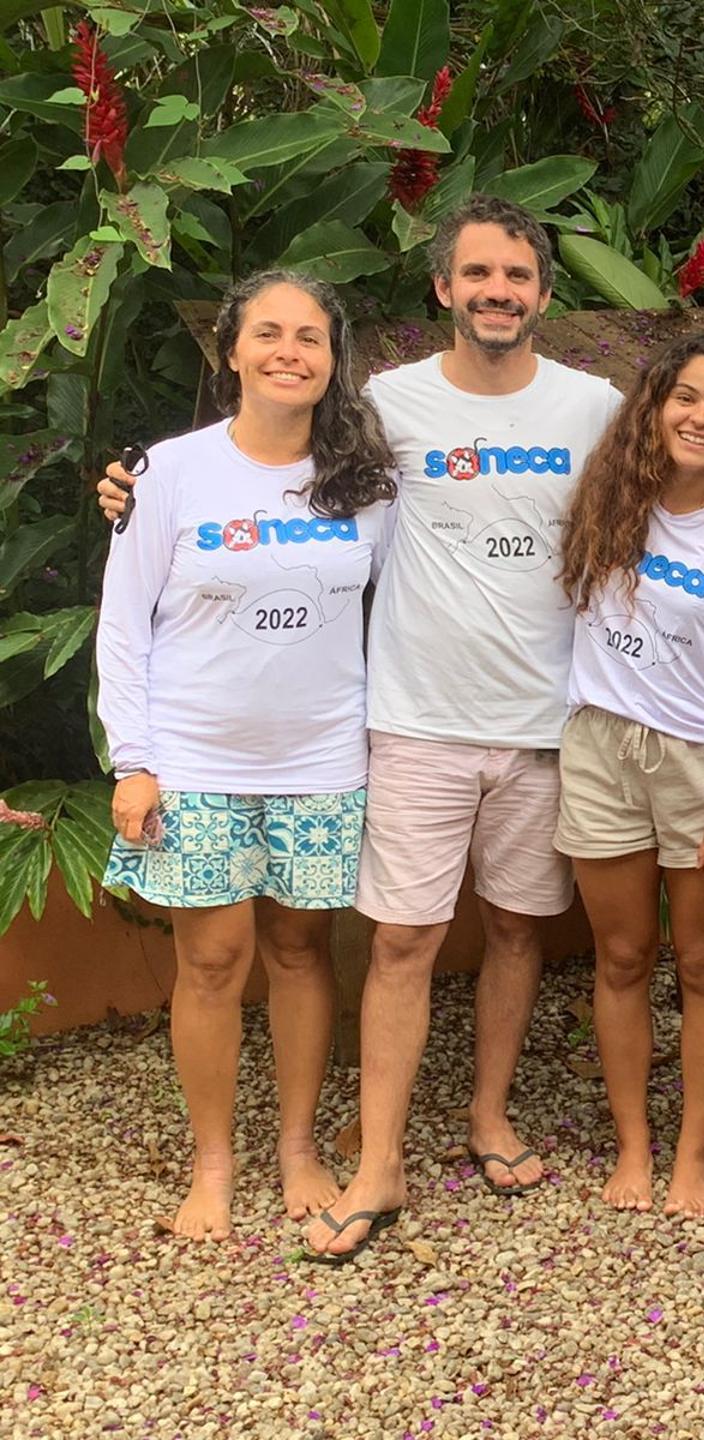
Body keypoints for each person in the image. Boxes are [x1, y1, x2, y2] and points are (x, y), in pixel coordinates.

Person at [103, 195, 625, 1260]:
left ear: (543, 292)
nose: (497, 292)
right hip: (396, 724)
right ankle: (333, 1161)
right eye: (476, 274)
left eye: (516, 276)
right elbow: (139, 598)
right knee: (380, 943)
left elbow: (669, 486)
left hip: (506, 724)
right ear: (443, 289)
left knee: (492, 931)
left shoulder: (572, 413)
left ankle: (451, 1121)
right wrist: (125, 488)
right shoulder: (379, 413)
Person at [95, 269, 395, 1241]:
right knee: (214, 959)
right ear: (230, 352)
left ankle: (298, 1147)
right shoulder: (168, 474)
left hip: (320, 755)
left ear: (331, 361)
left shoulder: (364, 479)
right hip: (195, 757)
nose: (289, 352)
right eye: (268, 333)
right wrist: (132, 759)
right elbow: (123, 626)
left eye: (310, 337)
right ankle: (212, 1164)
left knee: (302, 952)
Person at [556, 332, 704, 1218]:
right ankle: (633, 1147)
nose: (701, 418)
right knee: (620, 957)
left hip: (703, 770)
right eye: (686, 397)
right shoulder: (606, 502)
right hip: (602, 752)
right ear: (655, 404)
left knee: (701, 963)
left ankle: (692, 1152)